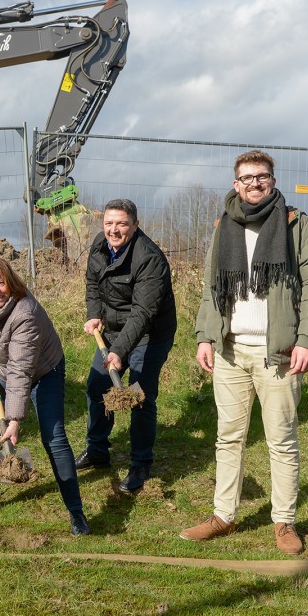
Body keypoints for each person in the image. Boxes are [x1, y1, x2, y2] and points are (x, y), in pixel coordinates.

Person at [180, 150, 308, 555]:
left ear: (272, 180)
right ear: (236, 184)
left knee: (281, 440)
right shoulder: (223, 226)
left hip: (278, 353)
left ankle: (284, 522)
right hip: (230, 352)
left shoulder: (297, 225)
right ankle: (223, 516)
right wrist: (204, 337)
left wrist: (306, 341)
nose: (254, 184)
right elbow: (213, 289)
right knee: (228, 437)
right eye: (246, 178)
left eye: (261, 177)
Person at [0, 257, 90, 535]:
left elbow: (22, 369)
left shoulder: (26, 313)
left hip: (43, 371)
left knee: (54, 437)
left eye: (1, 283)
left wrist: (14, 419)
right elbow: (0, 349)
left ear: (11, 282)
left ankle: (76, 513)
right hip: (3, 370)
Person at [76, 199, 176, 494]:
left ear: (135, 225)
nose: (114, 230)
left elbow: (142, 314)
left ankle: (140, 464)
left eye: (121, 224)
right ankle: (97, 450)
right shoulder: (99, 245)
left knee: (140, 396)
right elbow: (92, 284)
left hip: (150, 333)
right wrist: (94, 314)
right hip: (113, 330)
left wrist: (118, 351)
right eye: (109, 223)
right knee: (97, 387)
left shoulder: (150, 259)